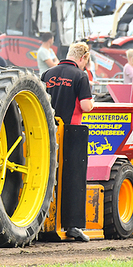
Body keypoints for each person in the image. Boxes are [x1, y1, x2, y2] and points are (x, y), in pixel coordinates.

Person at [41, 42, 95, 243]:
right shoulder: (81, 76)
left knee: (48, 174)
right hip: (71, 132)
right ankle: (72, 226)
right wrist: (94, 101)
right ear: (83, 58)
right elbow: (86, 106)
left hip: (46, 131)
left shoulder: (48, 73)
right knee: (73, 177)